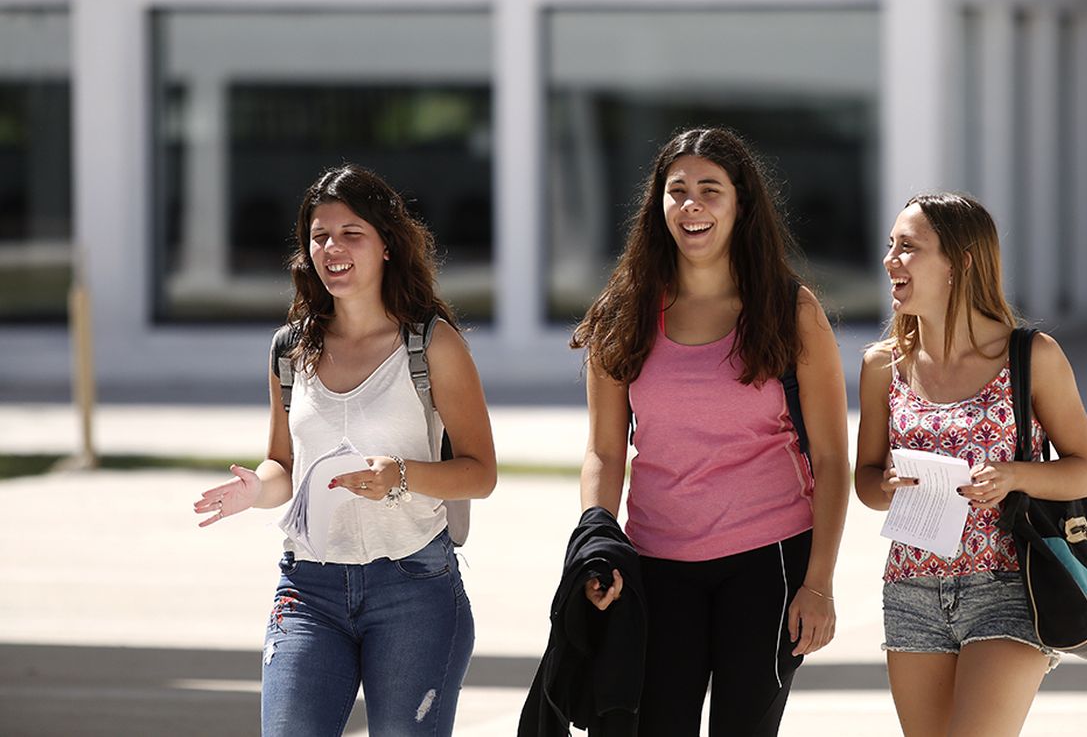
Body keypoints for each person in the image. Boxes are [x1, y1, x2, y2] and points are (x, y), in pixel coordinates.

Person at [192, 164, 497, 737]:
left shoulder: (432, 345)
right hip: (308, 591)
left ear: (386, 244)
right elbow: (284, 465)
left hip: (413, 588)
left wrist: (400, 476)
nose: (332, 247)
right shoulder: (291, 348)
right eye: (319, 235)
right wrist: (257, 488)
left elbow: (480, 474)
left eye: (351, 233)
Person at [569, 126, 850, 736]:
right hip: (655, 563)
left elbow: (831, 459)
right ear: (658, 205)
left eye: (710, 190)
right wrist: (596, 540)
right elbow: (603, 449)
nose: (691, 205)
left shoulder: (789, 309)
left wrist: (819, 585)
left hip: (769, 560)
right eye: (677, 191)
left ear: (741, 204)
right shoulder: (624, 311)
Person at [854, 192, 1087, 737]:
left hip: (1010, 584)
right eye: (890, 246)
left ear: (960, 261)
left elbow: (1084, 469)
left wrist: (1015, 476)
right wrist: (889, 485)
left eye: (909, 248)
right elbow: (866, 483)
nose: (890, 260)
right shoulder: (881, 366)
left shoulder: (1032, 356)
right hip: (911, 588)